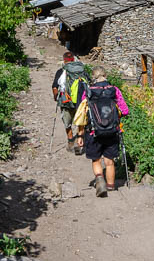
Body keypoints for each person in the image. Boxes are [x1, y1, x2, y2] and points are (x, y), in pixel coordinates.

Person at [72, 66, 129, 197]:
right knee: (109, 161)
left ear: (93, 77)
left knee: (96, 160)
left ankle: (99, 180)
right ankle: (110, 186)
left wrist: (80, 135)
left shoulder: (88, 91)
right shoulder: (114, 90)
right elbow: (125, 110)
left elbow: (83, 115)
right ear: (105, 75)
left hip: (93, 132)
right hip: (112, 131)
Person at [52, 52, 86, 153]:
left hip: (66, 101)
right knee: (80, 121)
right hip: (80, 101)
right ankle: (80, 141)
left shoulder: (61, 71)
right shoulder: (81, 71)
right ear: (74, 60)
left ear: (64, 60)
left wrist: (56, 97)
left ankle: (70, 141)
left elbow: (55, 87)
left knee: (67, 122)